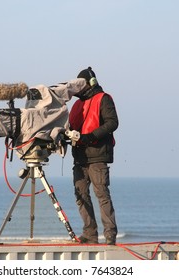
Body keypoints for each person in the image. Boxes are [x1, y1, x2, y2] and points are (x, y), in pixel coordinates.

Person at [69, 67, 119, 245]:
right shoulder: (77, 104)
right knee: (80, 194)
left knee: (102, 194)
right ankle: (89, 234)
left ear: (89, 83)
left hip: (98, 155)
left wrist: (90, 137)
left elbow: (113, 123)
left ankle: (110, 236)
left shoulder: (103, 99)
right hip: (79, 156)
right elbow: (71, 127)